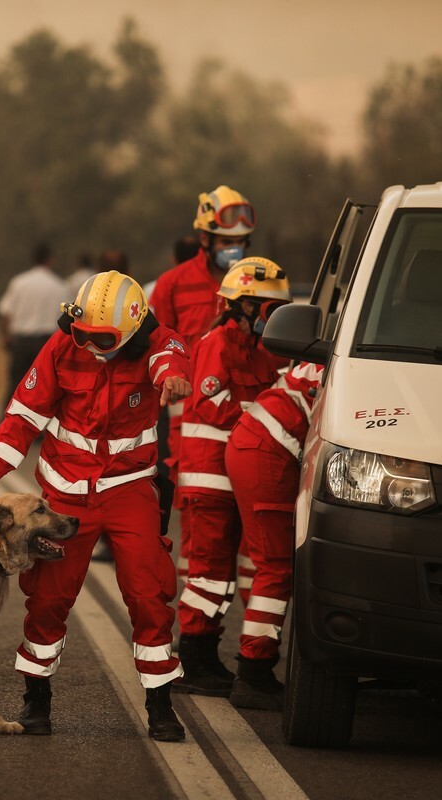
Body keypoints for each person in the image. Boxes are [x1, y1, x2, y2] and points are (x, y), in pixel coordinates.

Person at [0, 270, 193, 742]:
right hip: (64, 495)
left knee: (149, 595)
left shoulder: (159, 344)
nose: (89, 345)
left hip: (128, 491)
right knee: (48, 600)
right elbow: (22, 418)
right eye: (82, 333)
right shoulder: (62, 347)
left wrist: (174, 380)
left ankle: (160, 704)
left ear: (131, 330)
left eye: (101, 338)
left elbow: (173, 358)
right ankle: (36, 700)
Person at [174, 257, 291, 697]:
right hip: (209, 478)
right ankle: (192, 659)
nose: (272, 319)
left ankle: (207, 656)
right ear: (242, 306)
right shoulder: (216, 343)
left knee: (221, 575)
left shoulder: (258, 350)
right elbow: (212, 402)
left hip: (239, 478)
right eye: (268, 309)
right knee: (207, 572)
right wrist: (266, 417)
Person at [148, 186, 256, 583]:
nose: (235, 248)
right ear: (205, 238)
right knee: (200, 524)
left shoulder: (256, 282)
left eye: (241, 242)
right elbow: (153, 346)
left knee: (254, 528)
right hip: (191, 424)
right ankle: (196, 633)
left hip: (249, 419)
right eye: (227, 242)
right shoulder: (173, 284)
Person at [226, 358, 323, 710]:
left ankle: (256, 658)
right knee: (276, 566)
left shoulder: (338, 350)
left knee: (263, 559)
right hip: (268, 450)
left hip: (255, 442)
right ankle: (252, 673)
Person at [145, 233, 201, 538]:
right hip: (183, 380)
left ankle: (159, 506)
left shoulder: (156, 286)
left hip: (164, 383)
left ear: (173, 257)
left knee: (161, 447)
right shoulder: (173, 284)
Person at [0, 241, 65, 415]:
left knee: (16, 384)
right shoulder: (59, 286)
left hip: (21, 342)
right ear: (50, 260)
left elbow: (5, 313)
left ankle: (7, 422)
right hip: (46, 344)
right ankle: (40, 429)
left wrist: (5, 337)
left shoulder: (19, 282)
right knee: (44, 387)